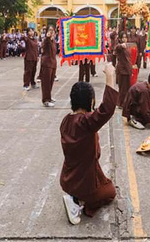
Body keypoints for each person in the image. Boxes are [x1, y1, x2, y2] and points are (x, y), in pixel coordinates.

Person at [60, 63, 118, 225]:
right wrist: (110, 76)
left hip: (67, 179)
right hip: (84, 183)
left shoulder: (66, 120)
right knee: (110, 192)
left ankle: (75, 197)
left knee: (103, 180)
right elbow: (107, 109)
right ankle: (77, 204)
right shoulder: (86, 122)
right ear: (91, 101)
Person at [114, 31, 133, 109]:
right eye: (123, 37)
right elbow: (116, 48)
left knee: (128, 88)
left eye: (125, 37)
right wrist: (121, 45)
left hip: (128, 69)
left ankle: (126, 102)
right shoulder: (120, 47)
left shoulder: (128, 46)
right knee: (122, 88)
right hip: (122, 70)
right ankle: (120, 103)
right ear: (120, 38)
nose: (124, 39)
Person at [40, 26, 58, 107]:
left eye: (52, 30)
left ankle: (49, 97)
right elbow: (45, 43)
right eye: (50, 30)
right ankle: (45, 100)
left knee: (50, 82)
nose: (51, 32)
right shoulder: (46, 40)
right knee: (46, 83)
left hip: (53, 63)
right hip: (46, 63)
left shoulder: (53, 41)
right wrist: (47, 37)